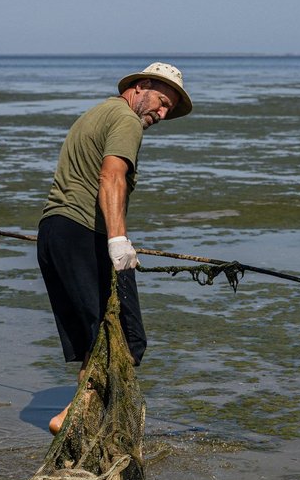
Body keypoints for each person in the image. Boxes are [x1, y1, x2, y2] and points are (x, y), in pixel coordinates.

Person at [37, 62, 193, 434]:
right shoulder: (125, 120)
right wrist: (118, 240)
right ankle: (72, 419)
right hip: (83, 233)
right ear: (140, 86)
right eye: (160, 101)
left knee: (99, 337)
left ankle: (85, 420)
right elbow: (112, 175)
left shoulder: (96, 113)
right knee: (127, 338)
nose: (161, 112)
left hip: (54, 232)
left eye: (168, 109)